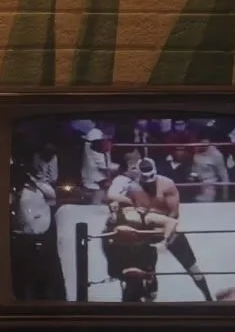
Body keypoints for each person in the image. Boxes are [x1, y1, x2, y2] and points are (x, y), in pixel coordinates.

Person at [121, 155, 215, 300]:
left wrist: (164, 231)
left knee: (192, 267)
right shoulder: (132, 187)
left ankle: (209, 299)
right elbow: (127, 210)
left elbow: (174, 213)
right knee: (146, 272)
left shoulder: (167, 184)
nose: (149, 183)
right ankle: (148, 303)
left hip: (169, 230)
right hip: (145, 233)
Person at [8, 164, 62, 300]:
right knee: (25, 276)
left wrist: (36, 181)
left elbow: (52, 196)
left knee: (45, 274)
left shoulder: (38, 189)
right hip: (22, 239)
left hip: (43, 237)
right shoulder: (13, 191)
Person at [79, 128, 116, 203]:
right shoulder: (93, 152)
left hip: (92, 185)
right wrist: (122, 169)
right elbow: (106, 167)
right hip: (95, 187)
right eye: (103, 141)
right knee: (98, 209)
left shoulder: (94, 150)